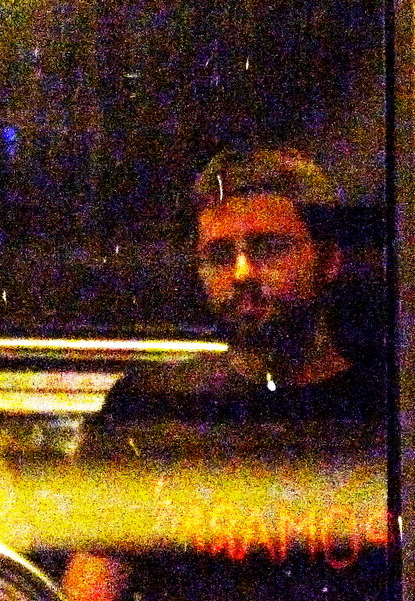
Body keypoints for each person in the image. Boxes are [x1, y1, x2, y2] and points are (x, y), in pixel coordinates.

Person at [66, 148, 387, 601]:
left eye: (269, 248)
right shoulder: (153, 406)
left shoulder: (385, 408)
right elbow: (93, 584)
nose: (241, 273)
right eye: (219, 255)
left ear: (328, 260)